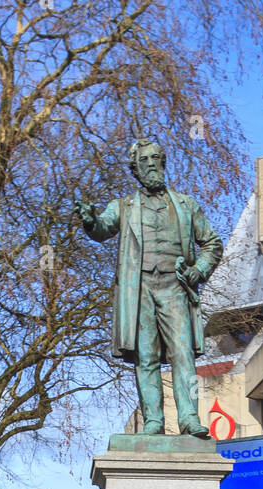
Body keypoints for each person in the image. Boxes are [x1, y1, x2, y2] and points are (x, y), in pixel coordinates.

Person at [76, 138, 223, 437]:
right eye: (145, 160)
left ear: (164, 162)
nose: (152, 163)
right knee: (146, 356)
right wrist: (90, 220)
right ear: (135, 168)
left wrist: (198, 270)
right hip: (139, 288)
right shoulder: (123, 207)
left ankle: (189, 419)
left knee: (183, 353)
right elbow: (103, 227)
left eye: (157, 157)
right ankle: (153, 420)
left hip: (176, 287)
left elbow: (212, 243)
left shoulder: (185, 204)